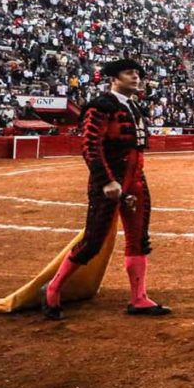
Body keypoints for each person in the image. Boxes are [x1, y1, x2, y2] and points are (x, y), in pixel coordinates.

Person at [38, 58, 171, 319]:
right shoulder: (100, 106)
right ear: (114, 79)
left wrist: (131, 184)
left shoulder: (134, 107)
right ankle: (53, 288)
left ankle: (139, 298)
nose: (136, 77)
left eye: (137, 73)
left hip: (135, 181)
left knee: (138, 239)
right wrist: (107, 181)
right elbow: (90, 146)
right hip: (108, 183)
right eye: (129, 73)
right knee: (92, 241)